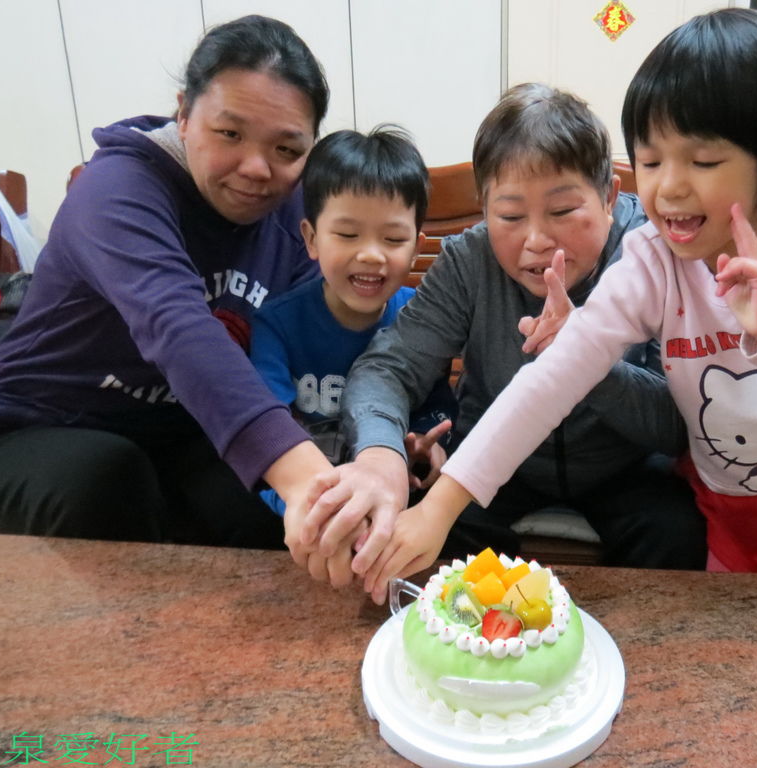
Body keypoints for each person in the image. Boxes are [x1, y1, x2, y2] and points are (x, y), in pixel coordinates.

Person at [364, 8, 757, 595]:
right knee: (723, 626)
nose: (668, 187)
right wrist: (438, 510)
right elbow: (553, 378)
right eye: (652, 161)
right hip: (731, 506)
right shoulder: (654, 258)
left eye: (702, 161)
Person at [0, 16, 357, 583]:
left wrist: (383, 443)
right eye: (230, 134)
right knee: (106, 479)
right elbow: (177, 327)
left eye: (287, 148)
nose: (256, 168)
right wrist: (312, 484)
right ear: (184, 114)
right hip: (31, 426)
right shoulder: (118, 190)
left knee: (254, 507)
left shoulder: (296, 212)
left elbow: (320, 335)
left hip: (178, 430)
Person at [297, 83, 706, 594]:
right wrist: (380, 455)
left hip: (626, 466)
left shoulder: (653, 254)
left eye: (562, 211)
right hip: (489, 468)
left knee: (676, 533)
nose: (536, 240)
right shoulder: (468, 261)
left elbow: (678, 425)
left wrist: (588, 361)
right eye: (510, 216)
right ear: (484, 209)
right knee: (425, 536)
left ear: (608, 197)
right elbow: (388, 368)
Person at [249, 126, 455, 516]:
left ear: (417, 248)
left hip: (397, 500)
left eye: (393, 240)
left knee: (468, 527)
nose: (371, 255)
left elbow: (438, 408)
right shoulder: (276, 324)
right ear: (311, 238)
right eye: (347, 234)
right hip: (301, 501)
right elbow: (267, 431)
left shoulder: (423, 319)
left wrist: (429, 446)